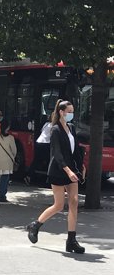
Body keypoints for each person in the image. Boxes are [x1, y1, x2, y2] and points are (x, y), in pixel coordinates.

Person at [26, 99, 86, 253]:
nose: (71, 114)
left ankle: (71, 240)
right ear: (61, 112)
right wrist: (68, 171)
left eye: (72, 112)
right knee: (59, 205)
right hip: (59, 170)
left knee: (74, 202)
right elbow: (57, 155)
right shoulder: (55, 130)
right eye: (69, 112)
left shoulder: (71, 128)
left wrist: (81, 167)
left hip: (72, 170)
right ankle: (36, 224)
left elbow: (76, 150)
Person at [24, 115, 52, 185]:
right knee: (50, 160)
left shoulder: (46, 124)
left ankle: (29, 176)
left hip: (39, 142)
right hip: (46, 144)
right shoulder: (53, 125)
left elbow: (42, 131)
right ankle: (49, 179)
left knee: (36, 160)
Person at [0, 119, 17, 204]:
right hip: (7, 162)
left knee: (2, 179)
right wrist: (13, 157)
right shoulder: (11, 138)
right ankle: (2, 196)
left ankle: (1, 196)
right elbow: (14, 151)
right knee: (5, 179)